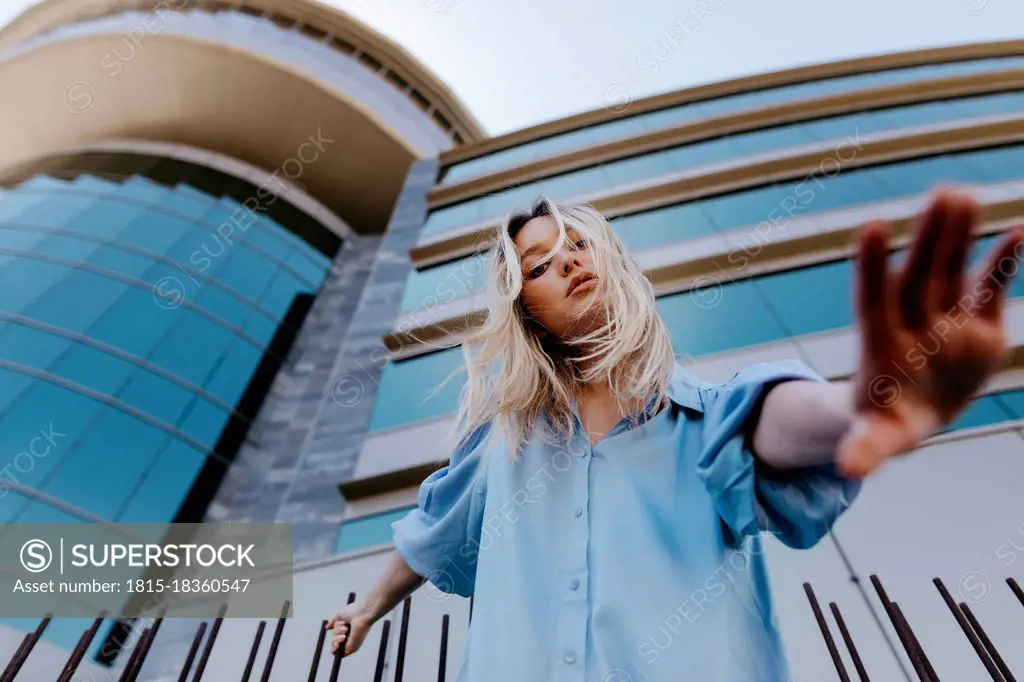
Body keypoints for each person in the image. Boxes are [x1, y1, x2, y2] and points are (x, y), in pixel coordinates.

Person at [326, 189, 1021, 681]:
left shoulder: (708, 419)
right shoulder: (504, 447)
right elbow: (430, 534)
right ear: (526, 313)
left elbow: (781, 423)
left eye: (577, 245)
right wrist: (365, 609)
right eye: (537, 265)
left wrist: (869, 403)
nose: (565, 260)